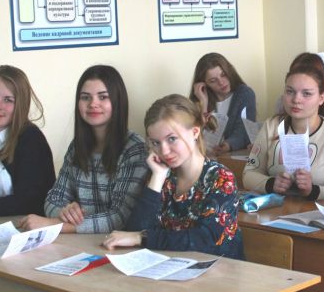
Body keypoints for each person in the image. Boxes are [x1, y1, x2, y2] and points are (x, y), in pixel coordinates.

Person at [102, 94, 243, 260]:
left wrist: (142, 238)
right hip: (171, 267)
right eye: (156, 143)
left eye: (172, 139)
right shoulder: (164, 176)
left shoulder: (220, 178)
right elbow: (135, 230)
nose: (164, 151)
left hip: (220, 270)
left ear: (195, 132)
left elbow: (206, 240)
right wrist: (157, 177)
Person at [19, 65, 148, 233]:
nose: (93, 104)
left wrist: (55, 225)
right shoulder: (76, 146)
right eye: (85, 97)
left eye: (103, 97)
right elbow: (53, 199)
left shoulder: (135, 149)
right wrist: (65, 212)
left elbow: (120, 218)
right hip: (78, 241)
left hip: (115, 242)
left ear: (118, 101)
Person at [243, 63, 324, 203]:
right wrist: (271, 184)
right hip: (276, 211)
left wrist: (312, 191)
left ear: (321, 98)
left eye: (306, 94)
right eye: (290, 91)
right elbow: (249, 174)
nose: (296, 100)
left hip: (318, 213)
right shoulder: (272, 125)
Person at [0, 65, 55, 216]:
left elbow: (29, 202)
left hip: (25, 225)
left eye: (8, 99)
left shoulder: (31, 138)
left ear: (21, 104)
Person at [189, 53, 256, 155]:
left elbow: (244, 130)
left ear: (229, 71)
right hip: (204, 156)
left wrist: (228, 145)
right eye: (213, 81)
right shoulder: (200, 99)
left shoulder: (244, 94)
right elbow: (195, 135)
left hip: (231, 156)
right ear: (204, 84)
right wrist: (203, 105)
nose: (221, 82)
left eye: (223, 75)